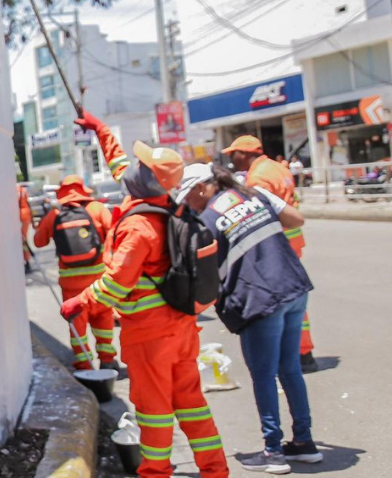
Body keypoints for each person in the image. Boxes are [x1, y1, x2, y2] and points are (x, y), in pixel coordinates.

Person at [60, 110, 229, 478]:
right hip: (181, 329)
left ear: (147, 177)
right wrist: (100, 129)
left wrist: (80, 302)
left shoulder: (139, 226)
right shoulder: (162, 205)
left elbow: (117, 283)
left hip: (150, 335)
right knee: (192, 404)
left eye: (141, 164)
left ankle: (154, 472)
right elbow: (120, 163)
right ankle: (215, 470)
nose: (132, 167)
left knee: (153, 411)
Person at [176, 163, 322, 473]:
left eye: (188, 196)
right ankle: (304, 442)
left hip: (259, 300)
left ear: (201, 188)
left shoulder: (206, 221)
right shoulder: (253, 193)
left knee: (264, 375)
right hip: (293, 287)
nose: (188, 203)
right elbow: (296, 219)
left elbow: (201, 277)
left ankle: (273, 451)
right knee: (290, 369)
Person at [224, 135, 317, 372]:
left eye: (233, 153)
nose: (232, 159)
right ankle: (303, 353)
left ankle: (297, 354)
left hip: (277, 245)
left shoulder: (258, 177)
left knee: (280, 301)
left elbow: (260, 215)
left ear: (244, 153)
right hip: (292, 240)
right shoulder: (277, 167)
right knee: (293, 299)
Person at [32, 175, 118, 370]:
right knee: (104, 322)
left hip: (71, 287)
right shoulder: (97, 209)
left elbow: (38, 241)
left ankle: (84, 366)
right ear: (83, 189)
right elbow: (115, 232)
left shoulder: (55, 214)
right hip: (99, 283)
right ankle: (107, 361)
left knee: (77, 328)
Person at [18, 184, 35, 273]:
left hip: (21, 214)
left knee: (22, 240)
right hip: (26, 214)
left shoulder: (15, 190)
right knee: (24, 239)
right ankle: (27, 260)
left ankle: (27, 262)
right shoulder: (22, 190)